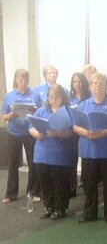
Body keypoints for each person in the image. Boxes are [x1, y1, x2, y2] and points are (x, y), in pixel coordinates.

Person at [73, 72, 107, 224]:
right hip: (88, 151)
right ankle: (89, 213)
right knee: (89, 185)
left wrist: (104, 132)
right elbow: (75, 126)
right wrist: (86, 133)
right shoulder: (83, 105)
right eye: (95, 83)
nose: (98, 86)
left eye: (101, 83)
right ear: (90, 86)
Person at [29, 84, 76, 220]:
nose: (53, 100)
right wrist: (36, 133)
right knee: (45, 181)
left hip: (60, 154)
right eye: (51, 97)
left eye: (57, 97)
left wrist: (58, 133)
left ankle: (60, 208)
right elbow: (31, 126)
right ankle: (49, 206)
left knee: (59, 182)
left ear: (63, 98)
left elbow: (72, 131)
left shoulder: (68, 112)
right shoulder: (42, 111)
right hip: (42, 153)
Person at [2, 69, 42, 204]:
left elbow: (41, 113)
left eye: (25, 79)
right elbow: (4, 116)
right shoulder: (9, 96)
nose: (23, 81)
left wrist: (35, 110)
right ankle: (11, 194)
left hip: (30, 132)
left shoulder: (35, 95)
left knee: (33, 162)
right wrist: (10, 116)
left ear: (28, 80)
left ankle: (33, 192)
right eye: (20, 79)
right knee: (13, 164)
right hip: (13, 132)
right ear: (16, 80)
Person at [68, 72, 91, 197]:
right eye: (75, 81)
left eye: (79, 81)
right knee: (72, 159)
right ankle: (71, 188)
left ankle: (86, 184)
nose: (77, 84)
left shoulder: (89, 97)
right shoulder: (69, 98)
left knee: (85, 159)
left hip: (85, 130)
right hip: (72, 131)